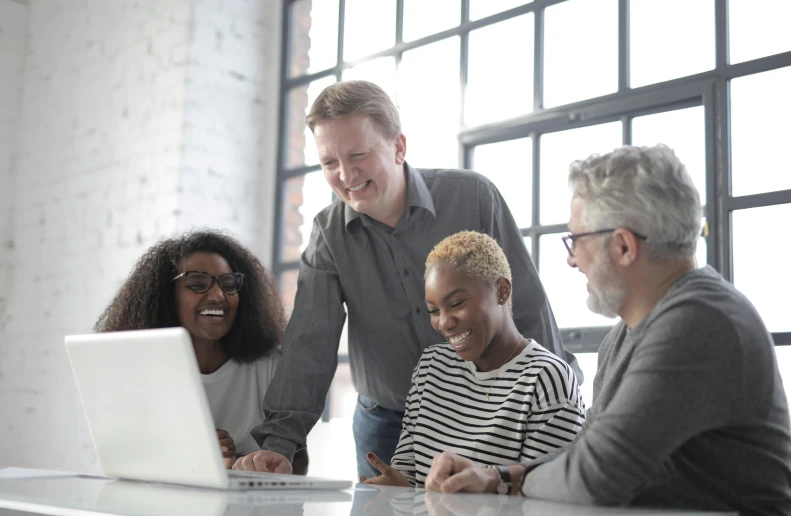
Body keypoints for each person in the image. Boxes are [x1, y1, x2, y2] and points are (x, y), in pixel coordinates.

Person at [233, 80, 581, 479]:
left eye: (358, 155)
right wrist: (279, 443)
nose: (346, 175)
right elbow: (309, 343)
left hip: (488, 413)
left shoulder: (473, 198)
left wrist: (560, 400)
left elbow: (527, 306)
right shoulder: (328, 234)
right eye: (329, 162)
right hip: (387, 422)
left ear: (398, 147)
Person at [423, 145, 791, 515]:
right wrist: (496, 476)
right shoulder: (623, 337)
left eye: (576, 240)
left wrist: (508, 481)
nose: (571, 259)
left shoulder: (700, 322)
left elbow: (593, 477)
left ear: (623, 246)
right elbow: (586, 457)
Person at [359, 231, 585, 488]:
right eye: (434, 311)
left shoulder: (546, 379)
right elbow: (413, 483)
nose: (443, 322)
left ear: (501, 291)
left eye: (456, 303)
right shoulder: (431, 368)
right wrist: (398, 492)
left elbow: (546, 496)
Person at [95, 229, 308, 473]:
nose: (218, 295)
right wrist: (194, 458)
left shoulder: (270, 365)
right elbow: (121, 461)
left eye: (229, 284)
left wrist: (243, 463)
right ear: (166, 294)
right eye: (197, 283)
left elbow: (299, 463)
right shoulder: (136, 369)